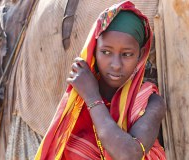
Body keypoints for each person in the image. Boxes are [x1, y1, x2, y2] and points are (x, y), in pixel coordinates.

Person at [34, 1, 166, 160]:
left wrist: (92, 98)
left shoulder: (151, 102)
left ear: (141, 54)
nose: (116, 65)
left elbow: (129, 154)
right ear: (94, 49)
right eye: (106, 52)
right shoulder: (76, 100)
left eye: (127, 54)